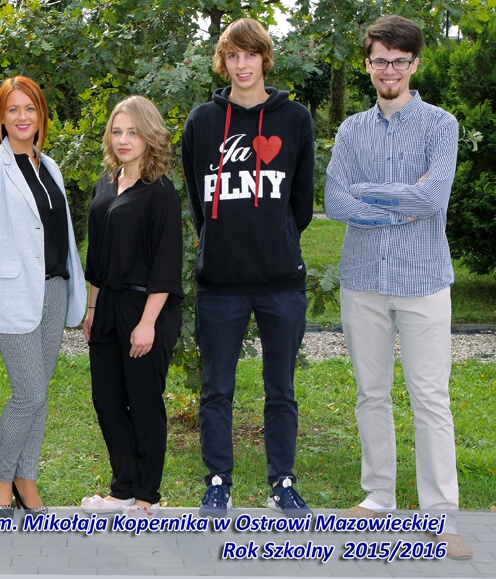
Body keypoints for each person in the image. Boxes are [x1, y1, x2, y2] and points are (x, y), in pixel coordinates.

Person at [324, 15, 472, 559]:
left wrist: (367, 193)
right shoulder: (351, 131)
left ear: (415, 64)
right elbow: (335, 201)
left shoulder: (441, 125)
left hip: (423, 279)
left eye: (400, 61)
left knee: (430, 398)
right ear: (368, 65)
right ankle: (378, 498)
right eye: (380, 60)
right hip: (363, 279)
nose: (390, 70)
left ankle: (440, 514)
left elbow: (433, 199)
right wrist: (395, 204)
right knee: (371, 393)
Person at [181, 18, 314, 518]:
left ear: (265, 59)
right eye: (233, 56)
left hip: (281, 282)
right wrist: (223, 241)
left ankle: (283, 482)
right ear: (223, 61)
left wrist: (275, 238)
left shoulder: (294, 119)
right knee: (217, 389)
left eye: (251, 55)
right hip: (220, 284)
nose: (242, 65)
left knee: (281, 389)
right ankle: (218, 482)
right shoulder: (202, 121)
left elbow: (301, 202)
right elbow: (198, 199)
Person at [0, 76, 86, 517]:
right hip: (12, 297)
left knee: (41, 394)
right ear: (0, 117)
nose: (23, 117)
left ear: (41, 115)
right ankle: (1, 483)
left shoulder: (49, 165)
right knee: (29, 394)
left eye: (30, 108)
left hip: (54, 291)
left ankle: (26, 478)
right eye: (13, 109)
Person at [81, 96, 183, 518]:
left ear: (150, 135)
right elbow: (96, 257)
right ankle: (122, 488)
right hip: (107, 305)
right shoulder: (106, 183)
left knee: (143, 402)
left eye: (133, 132)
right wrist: (92, 309)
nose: (123, 140)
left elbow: (166, 264)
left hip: (146, 308)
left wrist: (147, 323)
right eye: (117, 131)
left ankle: (146, 496)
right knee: (106, 400)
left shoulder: (160, 192)